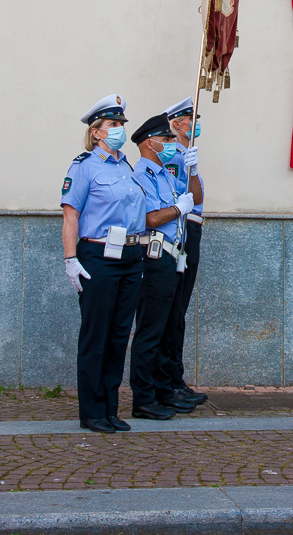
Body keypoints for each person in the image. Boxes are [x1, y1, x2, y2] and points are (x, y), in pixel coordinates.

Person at [60, 95, 145, 433]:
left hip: (129, 255)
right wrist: (71, 259)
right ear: (96, 132)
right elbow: (71, 216)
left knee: (119, 336)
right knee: (96, 335)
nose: (119, 130)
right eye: (113, 126)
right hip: (98, 256)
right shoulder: (84, 166)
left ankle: (110, 407)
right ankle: (92, 411)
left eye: (121, 125)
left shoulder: (125, 166)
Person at [128, 114, 196, 420]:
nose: (171, 144)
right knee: (149, 330)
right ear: (149, 143)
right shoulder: (141, 175)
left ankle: (163, 391)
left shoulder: (166, 175)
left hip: (171, 255)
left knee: (166, 326)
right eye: (166, 140)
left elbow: (196, 198)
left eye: (171, 138)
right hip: (152, 257)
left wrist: (192, 170)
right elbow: (150, 219)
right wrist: (177, 209)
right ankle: (143, 397)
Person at [162, 97, 207, 406]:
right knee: (172, 309)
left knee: (180, 311)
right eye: (190, 120)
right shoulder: (171, 156)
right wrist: (186, 166)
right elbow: (181, 195)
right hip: (181, 229)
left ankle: (174, 376)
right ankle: (168, 379)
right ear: (176, 124)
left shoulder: (186, 154)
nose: (195, 124)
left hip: (193, 229)